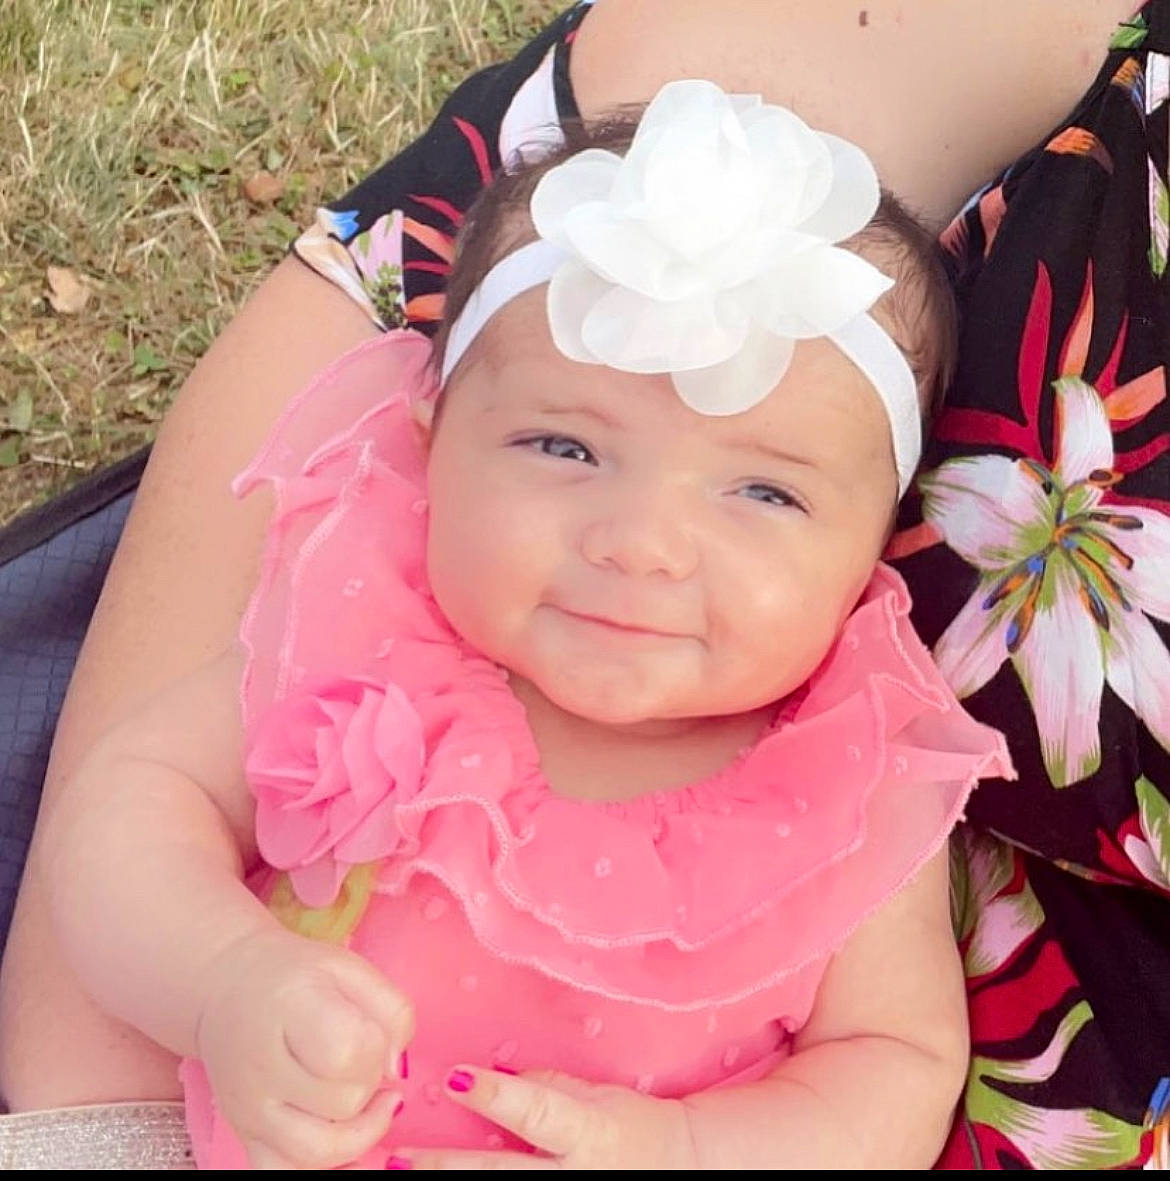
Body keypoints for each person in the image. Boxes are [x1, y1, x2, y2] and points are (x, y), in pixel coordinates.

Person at [1, 0, 1161, 1171]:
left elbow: (889, 1065)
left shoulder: (841, 788)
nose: (642, 542)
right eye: (565, 448)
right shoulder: (365, 642)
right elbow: (129, 813)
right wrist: (220, 977)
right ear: (430, 435)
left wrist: (686, 1146)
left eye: (763, 494)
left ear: (877, 548)